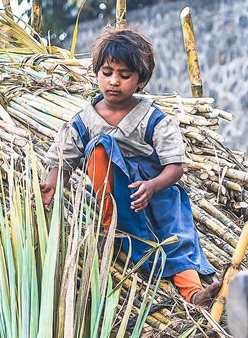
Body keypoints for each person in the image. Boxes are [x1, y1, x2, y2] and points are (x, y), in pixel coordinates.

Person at [40, 24, 219, 306]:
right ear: (96, 73)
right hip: (115, 193)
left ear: (140, 81)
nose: (114, 81)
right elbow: (64, 160)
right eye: (107, 73)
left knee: (177, 239)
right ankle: (112, 222)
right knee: (100, 146)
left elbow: (175, 166)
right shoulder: (85, 120)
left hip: (155, 192)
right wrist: (52, 185)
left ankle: (193, 292)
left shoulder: (153, 119)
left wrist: (152, 186)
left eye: (124, 75)